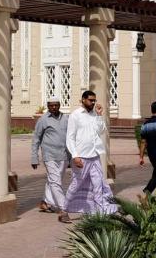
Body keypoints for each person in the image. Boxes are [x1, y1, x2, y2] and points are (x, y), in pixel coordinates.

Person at [62, 89, 114, 222]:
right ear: (83, 100)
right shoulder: (75, 115)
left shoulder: (94, 115)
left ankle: (99, 213)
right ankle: (64, 211)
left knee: (98, 184)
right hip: (81, 157)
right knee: (76, 184)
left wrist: (99, 115)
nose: (93, 103)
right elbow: (70, 137)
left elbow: (101, 131)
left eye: (94, 100)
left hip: (95, 156)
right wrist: (75, 156)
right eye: (90, 100)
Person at [31, 99, 69, 213]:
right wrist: (34, 157)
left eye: (56, 105)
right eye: (51, 105)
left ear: (59, 105)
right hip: (49, 155)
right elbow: (36, 139)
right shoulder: (43, 120)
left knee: (54, 180)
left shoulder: (66, 118)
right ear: (48, 106)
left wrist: (72, 157)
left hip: (63, 155)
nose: (54, 107)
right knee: (55, 181)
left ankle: (45, 202)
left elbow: (71, 137)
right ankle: (63, 207)